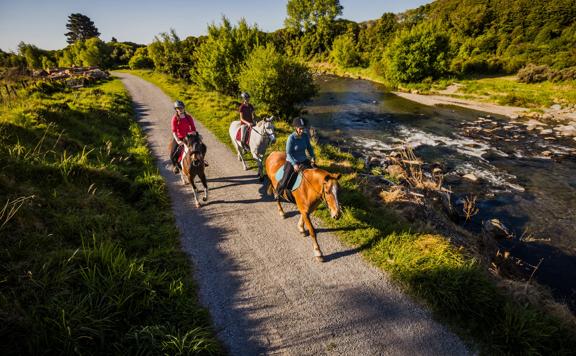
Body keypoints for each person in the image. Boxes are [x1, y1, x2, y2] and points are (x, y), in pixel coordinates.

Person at [275, 117, 316, 199]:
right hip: (292, 161)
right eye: (300, 129)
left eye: (303, 129)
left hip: (303, 160)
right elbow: (288, 153)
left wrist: (312, 157)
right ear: (296, 128)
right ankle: (277, 192)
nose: (302, 130)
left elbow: (309, 148)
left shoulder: (305, 136)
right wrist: (294, 164)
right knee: (285, 180)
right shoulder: (291, 138)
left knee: (315, 172)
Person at [169, 100, 207, 173]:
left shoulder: (188, 117)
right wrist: (178, 140)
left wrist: (196, 134)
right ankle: (175, 166)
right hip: (179, 137)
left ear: (184, 108)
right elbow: (174, 131)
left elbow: (193, 128)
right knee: (172, 154)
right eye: (178, 108)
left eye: (181, 108)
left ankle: (202, 161)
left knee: (203, 147)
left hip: (189, 138)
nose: (180, 109)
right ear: (176, 109)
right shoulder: (175, 118)